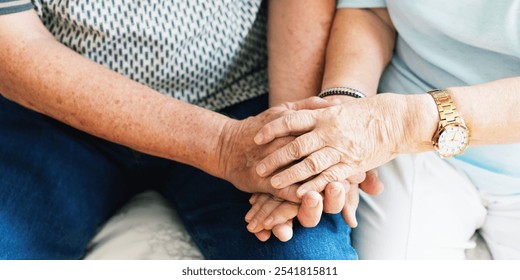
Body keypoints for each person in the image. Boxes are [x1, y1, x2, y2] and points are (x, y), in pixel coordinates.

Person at [0, 0, 372, 259]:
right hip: (55, 111)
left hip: (245, 102)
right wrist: (223, 147)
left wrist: (290, 140)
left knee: (305, 263)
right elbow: (12, 45)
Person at [248, 0, 520, 259]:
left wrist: (396, 126)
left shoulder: (396, 125)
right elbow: (371, 11)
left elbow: (396, 125)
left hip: (410, 126)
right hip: (414, 146)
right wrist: (342, 109)